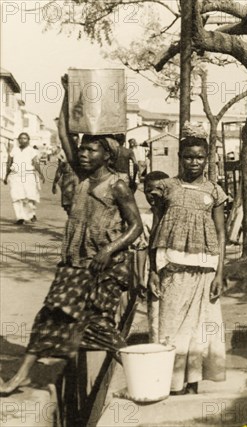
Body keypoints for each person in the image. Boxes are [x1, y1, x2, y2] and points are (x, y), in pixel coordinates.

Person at [0, 77, 143, 395]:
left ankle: (142, 373)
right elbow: (65, 132)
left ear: (107, 156)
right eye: (83, 150)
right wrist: (67, 93)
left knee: (97, 323)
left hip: (102, 265)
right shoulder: (80, 176)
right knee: (50, 313)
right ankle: (23, 373)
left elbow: (136, 227)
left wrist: (109, 248)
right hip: (74, 261)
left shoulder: (117, 185)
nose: (84, 154)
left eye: (92, 151)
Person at [150, 135, 227, 394]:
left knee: (200, 329)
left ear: (207, 159)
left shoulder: (214, 191)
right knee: (170, 327)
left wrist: (219, 273)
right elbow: (156, 226)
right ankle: (171, 384)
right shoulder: (166, 187)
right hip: (172, 265)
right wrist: (152, 268)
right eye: (188, 156)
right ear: (180, 157)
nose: (194, 162)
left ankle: (193, 381)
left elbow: (220, 232)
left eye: (199, 157)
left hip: (205, 267)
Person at [132, 170, 169, 343]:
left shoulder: (174, 215)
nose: (153, 194)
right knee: (155, 317)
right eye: (148, 190)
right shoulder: (145, 218)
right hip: (153, 274)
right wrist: (141, 277)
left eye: (159, 190)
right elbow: (141, 247)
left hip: (175, 271)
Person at [3, 132, 45, 225]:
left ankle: (31, 214)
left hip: (28, 175)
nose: (22, 140)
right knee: (16, 197)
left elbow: (36, 163)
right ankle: (20, 217)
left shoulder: (31, 150)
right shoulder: (14, 150)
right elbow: (9, 163)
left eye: (25, 138)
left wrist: (41, 174)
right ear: (18, 140)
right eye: (21, 138)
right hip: (15, 176)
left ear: (28, 140)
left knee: (29, 196)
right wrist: (6, 176)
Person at [52, 146, 80, 215]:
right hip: (74, 181)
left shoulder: (63, 154)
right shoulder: (82, 152)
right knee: (73, 205)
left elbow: (59, 171)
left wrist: (54, 184)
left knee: (70, 205)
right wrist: (54, 184)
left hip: (70, 181)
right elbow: (59, 171)